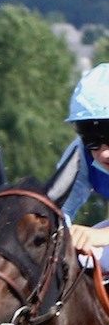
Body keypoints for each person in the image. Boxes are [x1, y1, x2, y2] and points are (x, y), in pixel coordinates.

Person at [58, 63, 109, 251]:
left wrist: (100, 235)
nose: (104, 153)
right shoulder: (79, 153)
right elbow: (59, 213)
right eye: (92, 139)